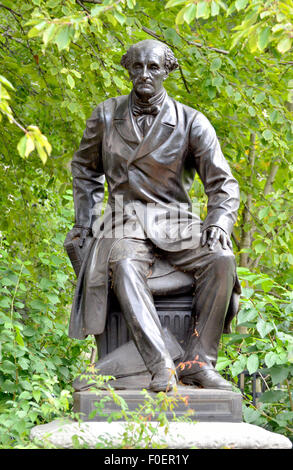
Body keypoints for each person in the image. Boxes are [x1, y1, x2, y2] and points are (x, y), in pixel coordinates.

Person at [66, 39, 240, 393]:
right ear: (128, 69)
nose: (145, 74)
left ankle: (197, 362)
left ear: (167, 71)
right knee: (125, 265)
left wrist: (219, 223)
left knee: (222, 258)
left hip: (175, 221)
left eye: (154, 67)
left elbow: (223, 183)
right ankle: (159, 364)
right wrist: (84, 222)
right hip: (123, 219)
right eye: (138, 67)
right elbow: (84, 170)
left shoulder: (192, 121)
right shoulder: (105, 115)